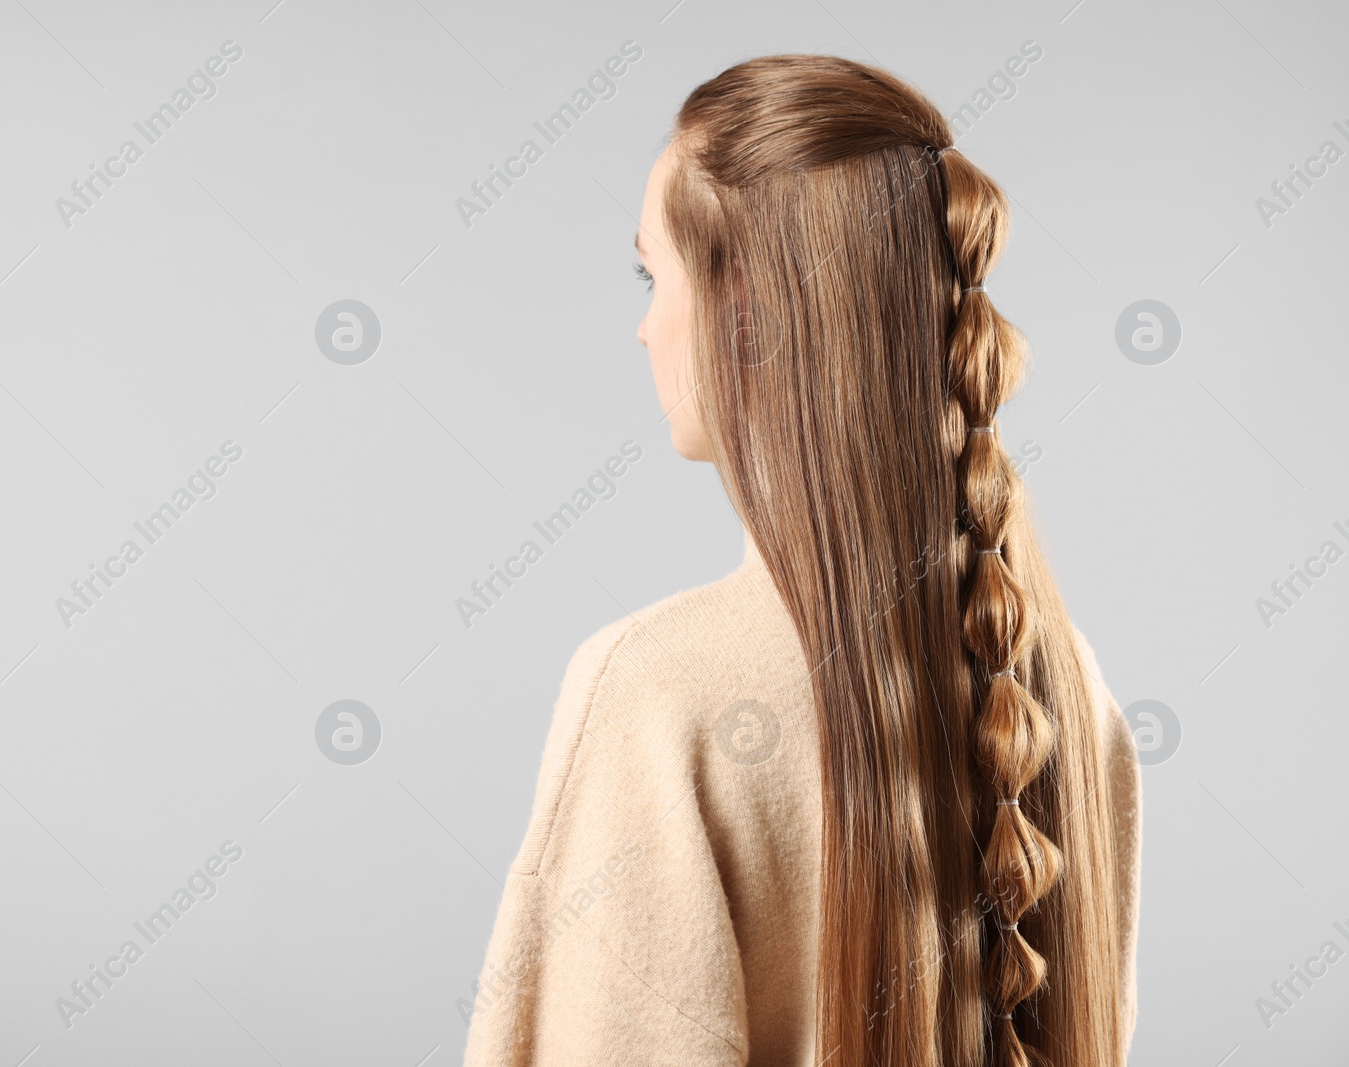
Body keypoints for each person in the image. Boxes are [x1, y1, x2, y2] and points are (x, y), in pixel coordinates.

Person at [461, 54, 1140, 1067]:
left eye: (654, 275)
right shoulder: (1060, 679)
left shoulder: (659, 691)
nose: (643, 325)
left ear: (748, 313)